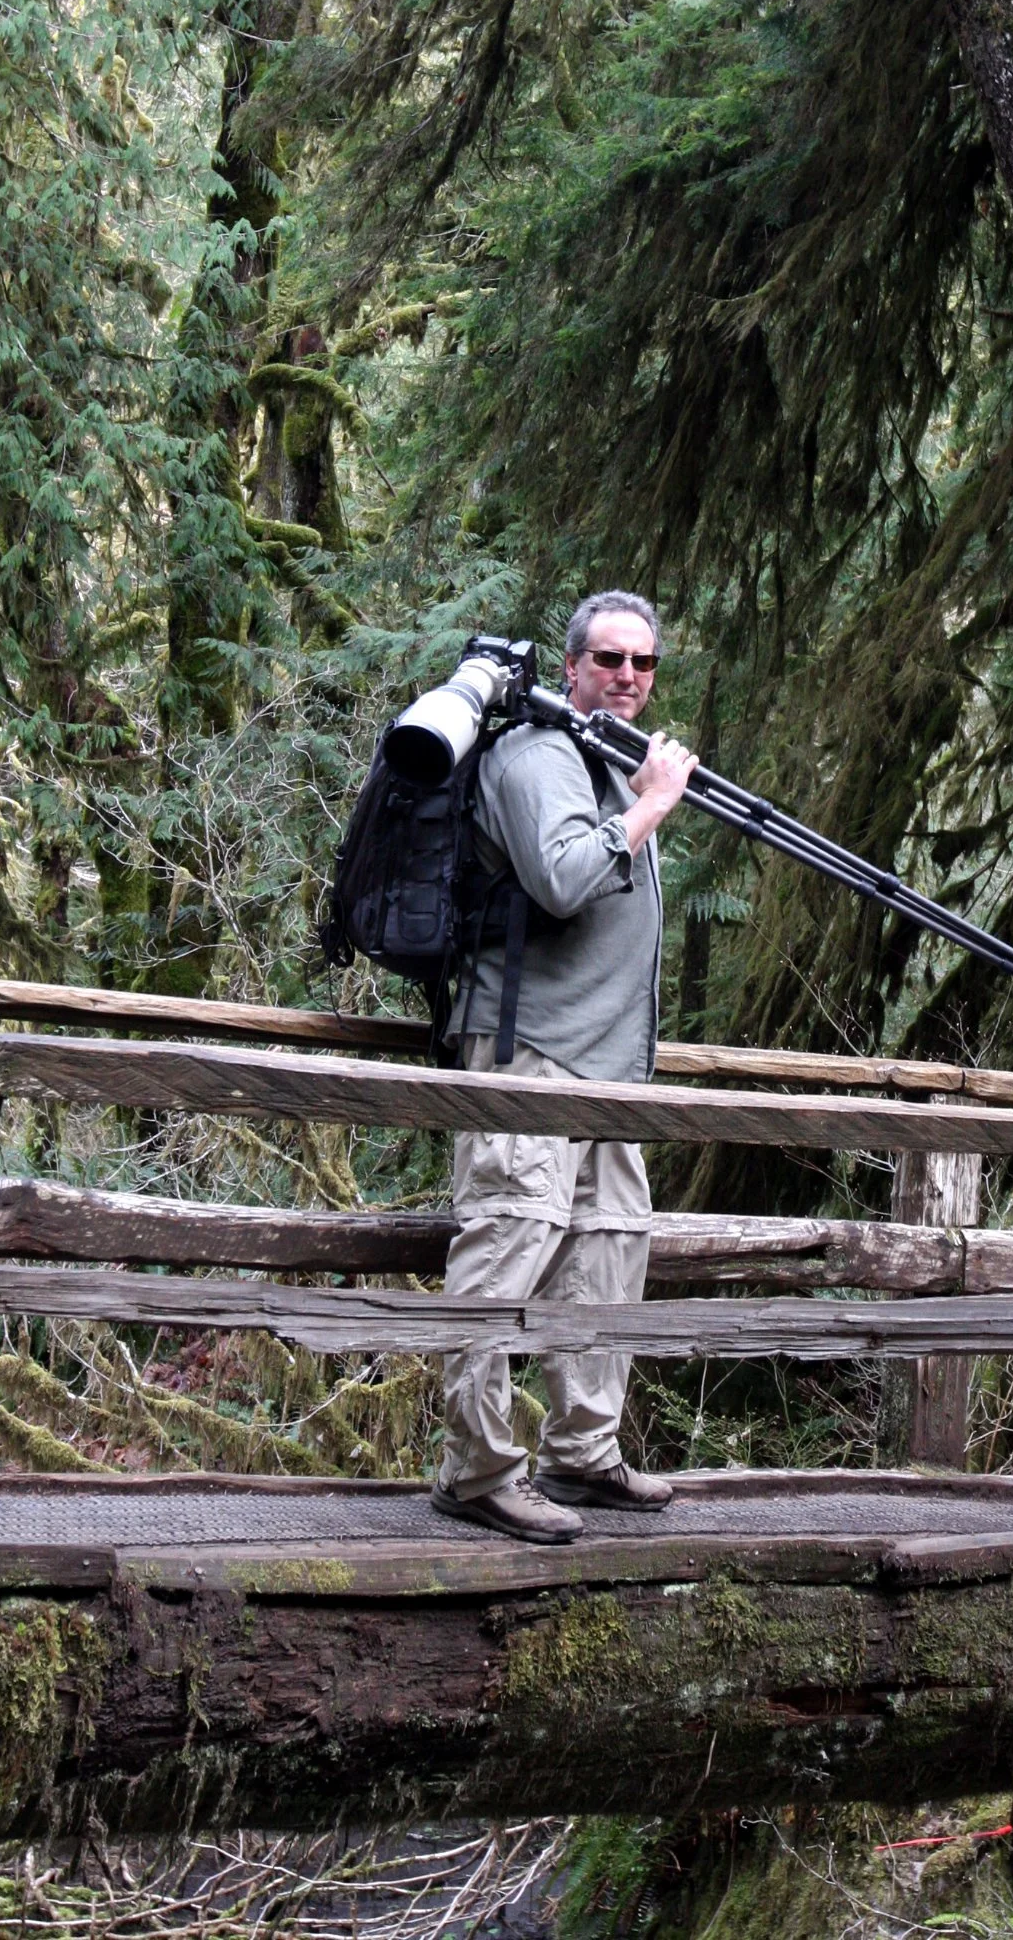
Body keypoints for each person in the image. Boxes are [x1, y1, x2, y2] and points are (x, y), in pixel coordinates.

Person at [430, 590, 697, 1544]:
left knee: (607, 1252)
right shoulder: (538, 756)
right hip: (528, 1054)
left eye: (645, 663)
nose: (628, 678)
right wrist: (655, 806)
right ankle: (475, 1469)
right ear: (574, 667)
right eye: (610, 660)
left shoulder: (611, 766)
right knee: (507, 1246)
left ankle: (584, 1454)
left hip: (607, 1068)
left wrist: (641, 799)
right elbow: (564, 878)